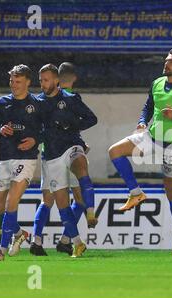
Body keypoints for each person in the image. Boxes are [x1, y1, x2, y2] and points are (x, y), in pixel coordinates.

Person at [108, 48, 172, 257]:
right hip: (151, 137)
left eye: (171, 61)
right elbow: (148, 106)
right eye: (166, 60)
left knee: (171, 190)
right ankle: (136, 193)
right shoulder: (157, 83)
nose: (167, 63)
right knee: (115, 151)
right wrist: (142, 121)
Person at [38, 64, 98, 258]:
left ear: (56, 81)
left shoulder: (70, 99)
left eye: (46, 80)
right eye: (40, 80)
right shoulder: (37, 103)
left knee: (81, 164)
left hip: (71, 146)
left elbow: (91, 119)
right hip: (52, 155)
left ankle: (90, 211)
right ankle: (76, 243)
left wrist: (71, 125)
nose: (42, 84)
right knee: (61, 202)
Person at [0, 64, 44, 261]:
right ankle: (20, 234)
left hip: (25, 159)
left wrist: (35, 140)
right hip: (4, 158)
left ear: (28, 82)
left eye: (18, 81)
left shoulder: (36, 104)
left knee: (12, 203)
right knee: (0, 208)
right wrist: (0, 129)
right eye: (11, 80)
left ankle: (1, 251)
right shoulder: (3, 102)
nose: (13, 84)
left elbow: (47, 129)